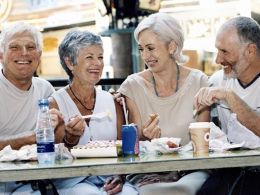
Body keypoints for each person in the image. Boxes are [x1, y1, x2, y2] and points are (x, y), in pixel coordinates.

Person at [117, 13, 210, 195]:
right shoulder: (132, 85)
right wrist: (145, 138)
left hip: (191, 169)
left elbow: (203, 146)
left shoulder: (199, 81)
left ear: (172, 46)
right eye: (141, 49)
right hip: (149, 170)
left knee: (189, 188)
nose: (145, 56)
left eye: (151, 48)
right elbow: (133, 149)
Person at [47, 29, 137, 195]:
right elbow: (52, 156)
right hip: (72, 180)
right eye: (89, 57)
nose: (98, 63)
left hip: (111, 177)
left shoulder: (113, 101)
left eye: (100, 57)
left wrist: (120, 174)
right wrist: (71, 138)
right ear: (70, 63)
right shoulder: (55, 103)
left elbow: (124, 149)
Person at [194, 16, 260, 195]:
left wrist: (230, 96)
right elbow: (202, 128)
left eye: (225, 52)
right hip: (230, 170)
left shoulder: (224, 87)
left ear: (250, 51)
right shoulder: (217, 80)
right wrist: (202, 107)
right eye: (217, 50)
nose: (217, 59)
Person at [0, 22, 63, 193]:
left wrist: (63, 126)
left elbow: (56, 141)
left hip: (36, 179)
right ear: (1, 54)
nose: (24, 53)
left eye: (30, 47)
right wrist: (25, 139)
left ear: (39, 54)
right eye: (14, 47)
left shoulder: (45, 89)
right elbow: (33, 139)